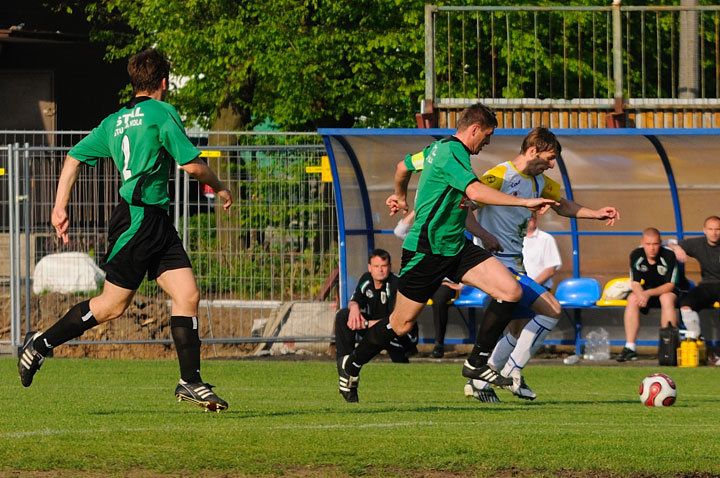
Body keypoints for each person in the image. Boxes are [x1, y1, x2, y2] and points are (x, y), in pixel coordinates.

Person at [17, 49, 233, 412]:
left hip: (157, 221)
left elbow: (73, 156)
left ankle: (190, 381)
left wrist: (59, 206)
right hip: (137, 222)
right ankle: (39, 345)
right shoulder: (162, 112)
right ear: (164, 83)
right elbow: (193, 167)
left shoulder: (115, 121)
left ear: (135, 82)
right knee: (111, 306)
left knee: (187, 295)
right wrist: (221, 186)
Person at [336, 103, 560, 403]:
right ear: (474, 129)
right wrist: (524, 203)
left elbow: (402, 166)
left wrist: (400, 197)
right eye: (488, 135)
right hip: (425, 251)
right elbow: (476, 193)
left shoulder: (433, 150)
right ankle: (352, 363)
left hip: (456, 246)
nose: (489, 142)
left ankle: (477, 363)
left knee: (510, 290)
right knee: (400, 324)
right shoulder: (451, 153)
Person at [463, 127, 619, 402]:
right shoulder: (500, 174)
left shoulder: (539, 182)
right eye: (549, 158)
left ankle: (480, 381)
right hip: (497, 264)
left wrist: (596, 213)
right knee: (552, 309)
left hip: (516, 265)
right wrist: (484, 236)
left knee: (517, 327)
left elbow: (563, 206)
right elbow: (464, 209)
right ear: (532, 150)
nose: (552, 164)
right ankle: (512, 372)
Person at [336, 249, 418, 402]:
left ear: (390, 266)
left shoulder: (396, 284)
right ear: (369, 267)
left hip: (402, 334)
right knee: (343, 316)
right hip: (377, 329)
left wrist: (364, 323)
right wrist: (354, 309)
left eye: (384, 266)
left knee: (390, 338)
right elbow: (355, 300)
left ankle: (402, 366)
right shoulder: (366, 279)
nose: (380, 270)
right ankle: (345, 367)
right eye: (376, 266)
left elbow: (396, 320)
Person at [615, 228, 684, 362]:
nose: (652, 248)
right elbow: (635, 282)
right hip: (648, 290)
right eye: (648, 244)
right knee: (632, 299)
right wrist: (641, 294)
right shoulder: (636, 255)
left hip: (668, 291)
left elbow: (670, 285)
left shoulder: (668, 255)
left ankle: (667, 346)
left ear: (660, 243)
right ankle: (630, 347)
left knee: (666, 298)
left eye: (655, 244)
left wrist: (646, 293)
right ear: (642, 243)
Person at [667, 216, 720, 338]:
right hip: (707, 285)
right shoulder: (698, 243)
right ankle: (696, 339)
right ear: (704, 230)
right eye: (710, 229)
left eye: (717, 229)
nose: (714, 233)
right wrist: (677, 248)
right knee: (686, 304)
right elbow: (667, 243)